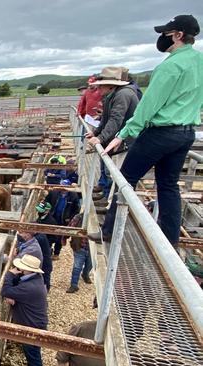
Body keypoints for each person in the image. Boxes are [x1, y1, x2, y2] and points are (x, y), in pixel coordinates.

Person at [99, 15, 202, 248]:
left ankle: (109, 230)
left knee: (126, 179)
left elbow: (149, 106)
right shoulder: (200, 62)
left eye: (166, 33)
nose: (162, 38)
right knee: (168, 185)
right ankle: (169, 242)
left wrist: (122, 135)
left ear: (177, 35)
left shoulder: (170, 66)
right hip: (186, 132)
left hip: (161, 132)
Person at [86, 66, 140, 198]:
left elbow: (115, 119)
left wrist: (100, 138)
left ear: (110, 85)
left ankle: (114, 201)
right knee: (110, 169)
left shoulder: (123, 95)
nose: (99, 89)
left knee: (117, 173)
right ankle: (107, 195)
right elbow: (106, 118)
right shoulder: (114, 95)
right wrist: (97, 133)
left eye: (101, 86)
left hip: (124, 142)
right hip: (117, 140)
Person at [2, 254, 48, 366]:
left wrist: (9, 274)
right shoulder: (36, 278)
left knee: (33, 356)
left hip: (31, 325)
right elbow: (18, 286)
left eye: (21, 267)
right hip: (36, 322)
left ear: (26, 270)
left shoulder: (29, 287)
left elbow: (6, 291)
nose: (19, 268)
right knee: (33, 351)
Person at [45, 180, 81, 257]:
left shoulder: (73, 196)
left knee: (60, 237)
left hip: (64, 220)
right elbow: (46, 201)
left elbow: (76, 209)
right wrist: (47, 211)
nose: (61, 188)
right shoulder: (54, 192)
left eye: (63, 186)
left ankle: (56, 253)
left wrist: (70, 218)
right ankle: (48, 251)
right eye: (60, 185)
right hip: (52, 217)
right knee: (49, 234)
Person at [66, 214, 92, 293]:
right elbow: (70, 228)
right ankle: (74, 285)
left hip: (92, 249)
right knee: (77, 267)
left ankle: (85, 274)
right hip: (80, 247)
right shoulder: (79, 217)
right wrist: (65, 237)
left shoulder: (101, 219)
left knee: (90, 265)